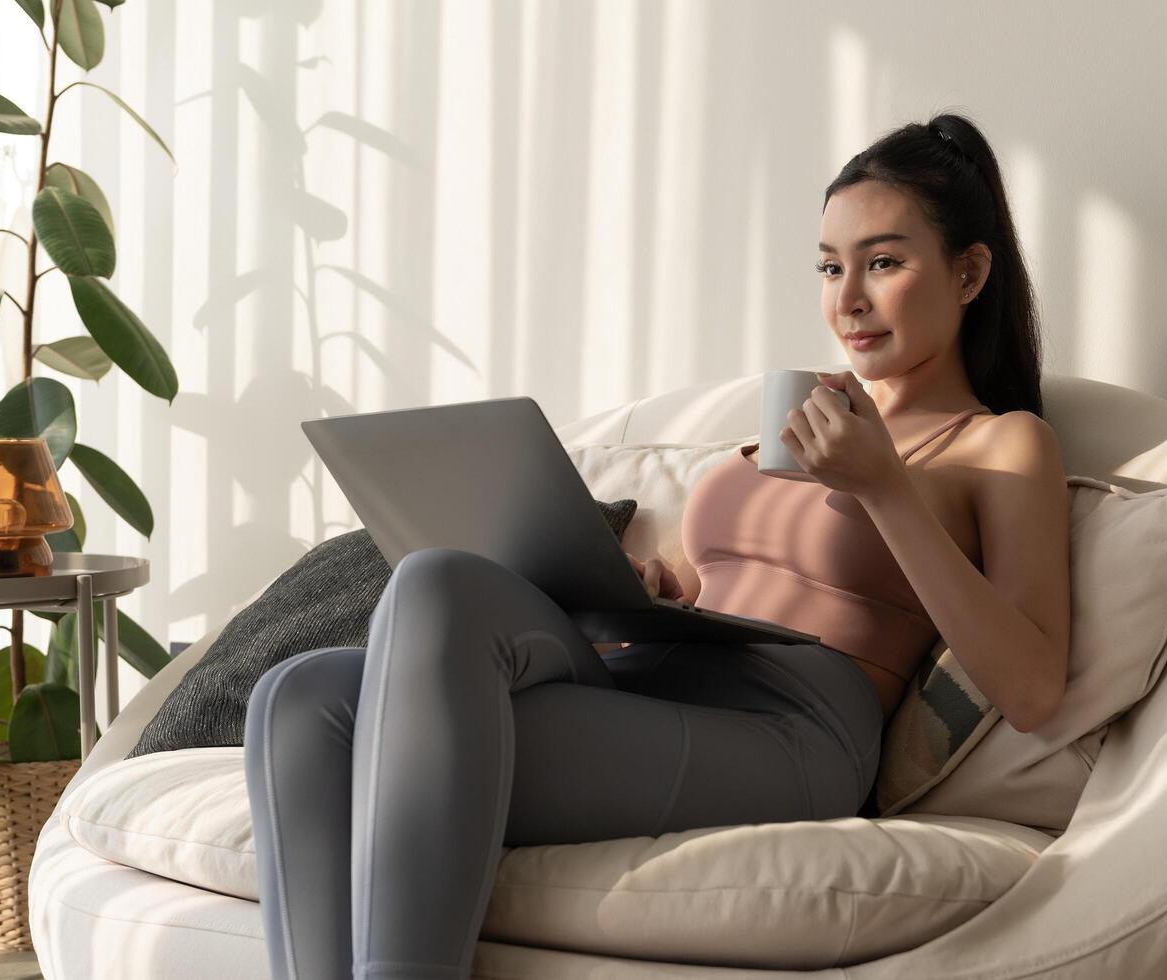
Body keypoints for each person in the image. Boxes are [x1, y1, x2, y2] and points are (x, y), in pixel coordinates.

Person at [242, 110, 1070, 980]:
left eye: (884, 263)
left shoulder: (1002, 445)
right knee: (305, 691)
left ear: (969, 271)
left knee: (425, 604)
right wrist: (653, 584)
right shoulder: (792, 419)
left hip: (794, 727)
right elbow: (707, 582)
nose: (847, 299)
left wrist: (882, 487)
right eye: (830, 267)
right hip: (657, 675)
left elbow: (1031, 687)